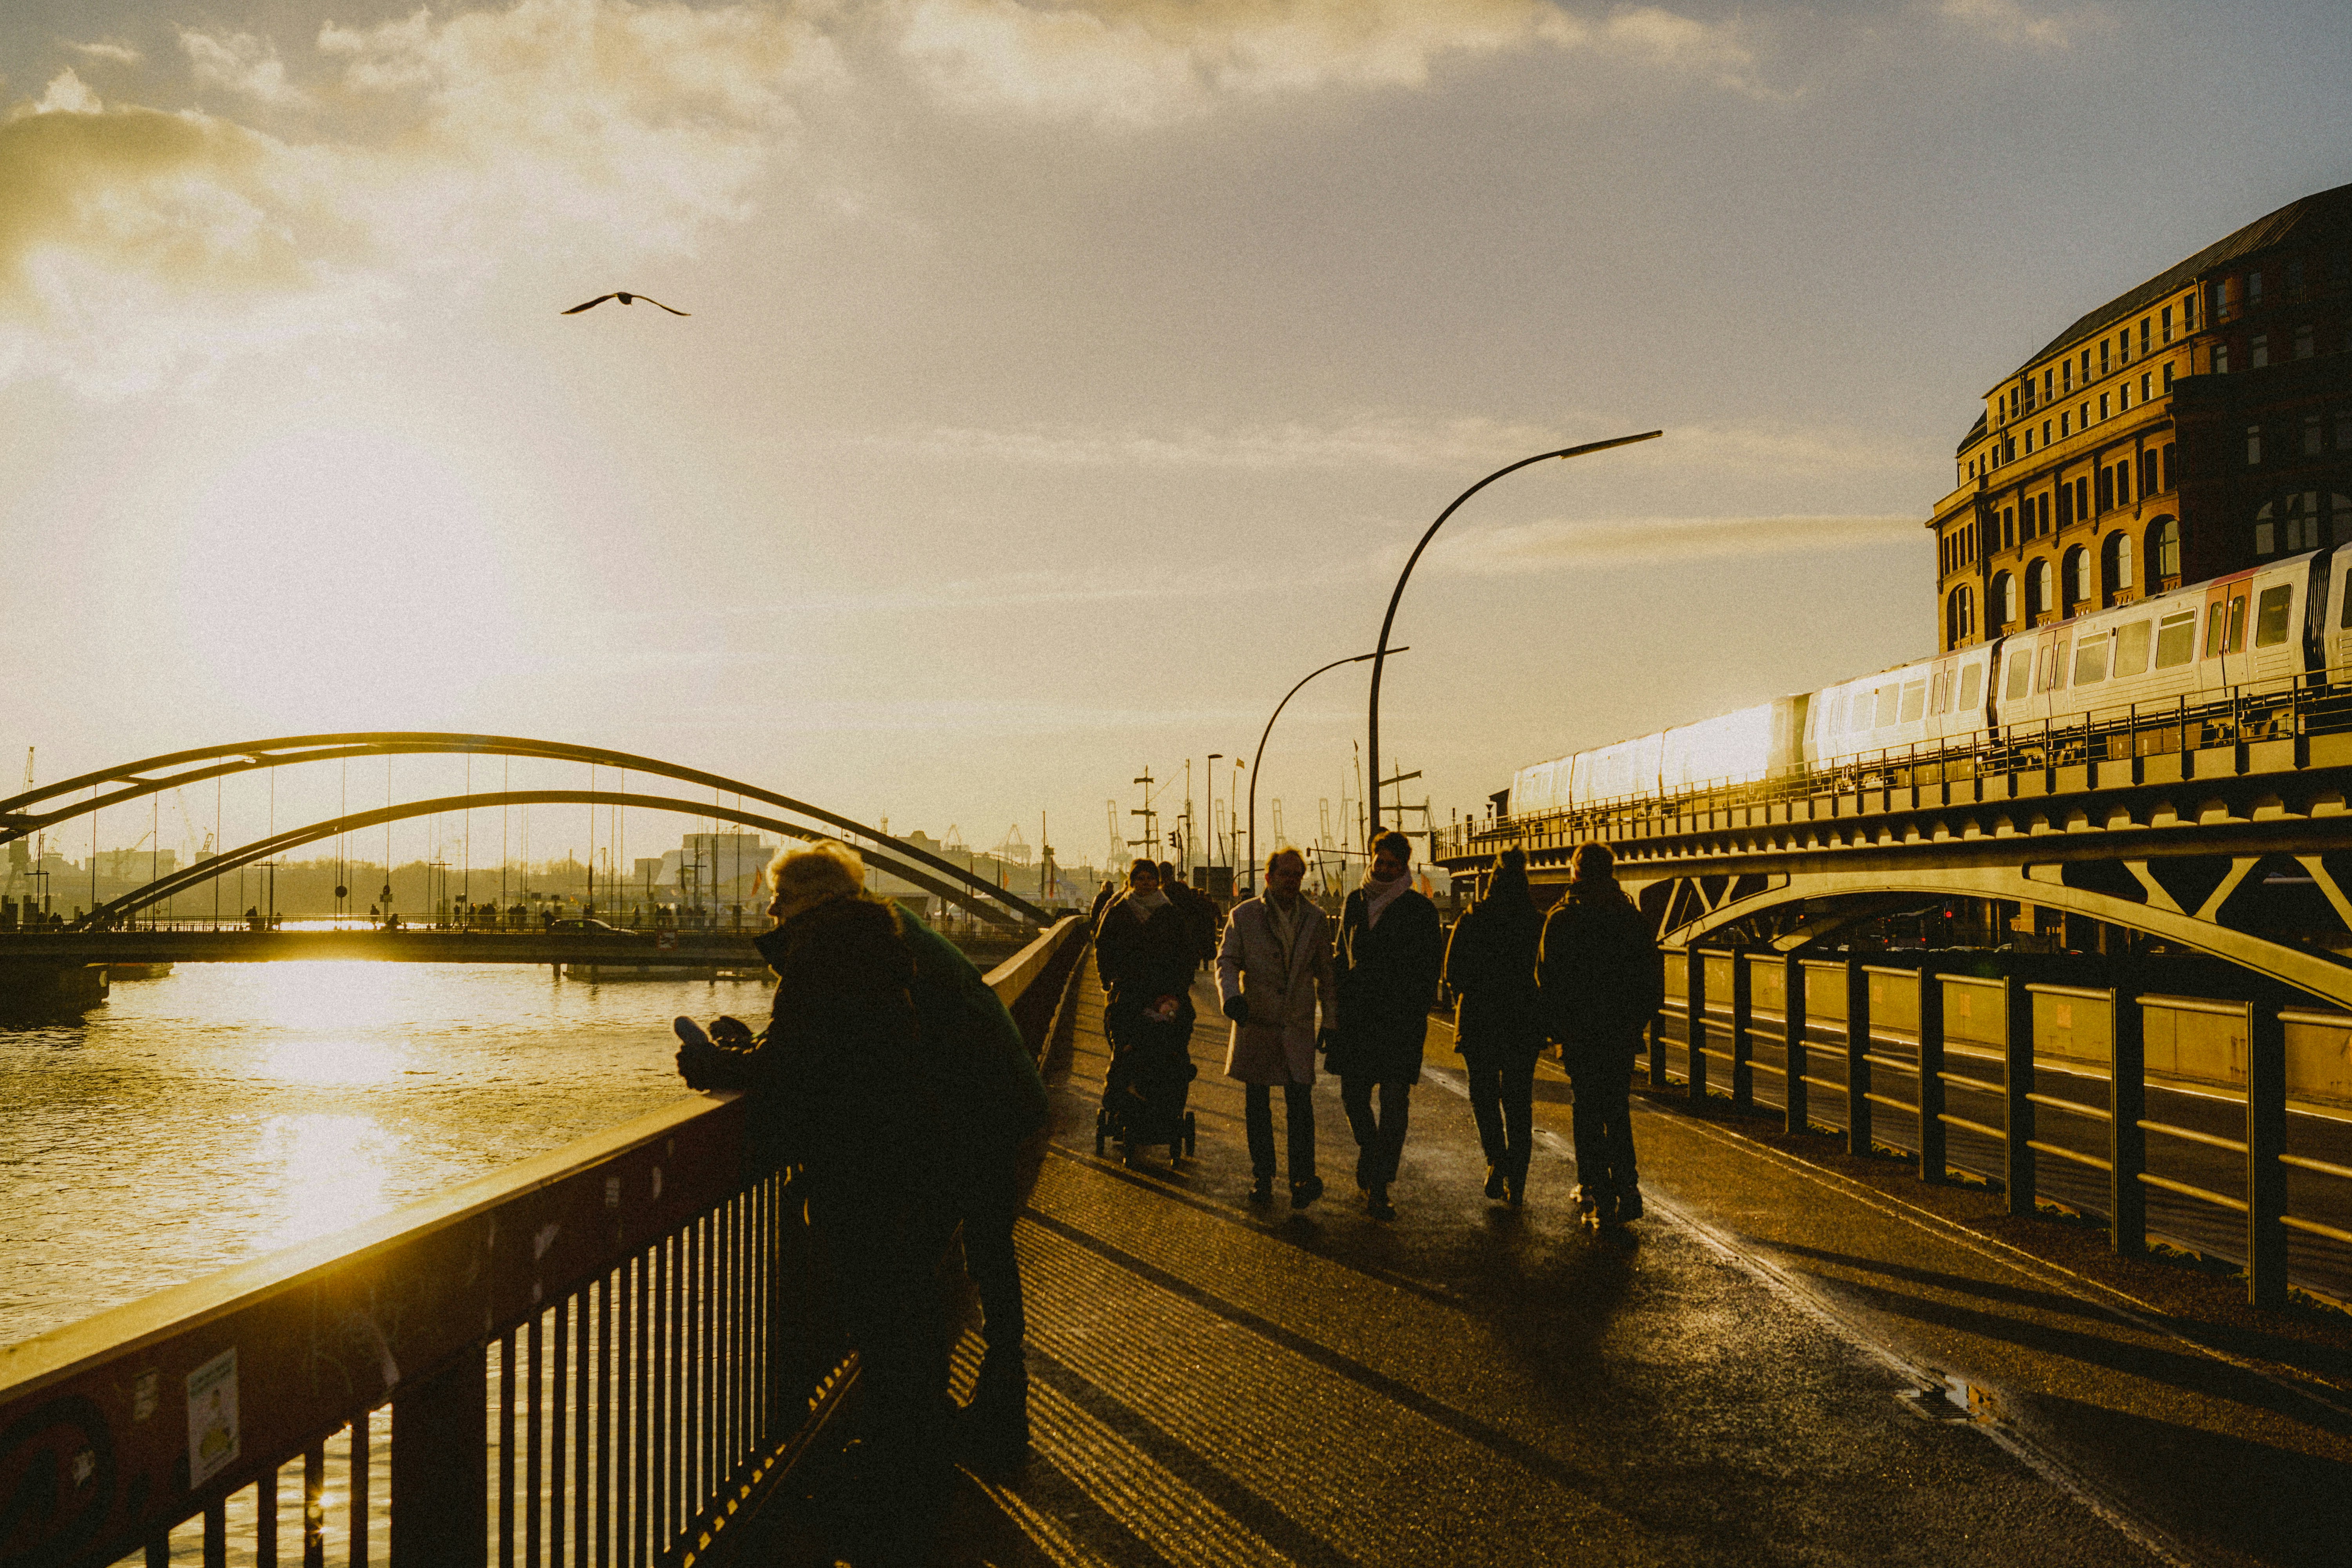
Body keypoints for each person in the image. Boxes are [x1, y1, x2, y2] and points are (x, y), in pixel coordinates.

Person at [671, 841, 973, 1557]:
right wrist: (755, 1050)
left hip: (863, 1171)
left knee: (882, 1323)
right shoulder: (871, 946)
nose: (771, 912)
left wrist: (717, 1066)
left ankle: (895, 1506)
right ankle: (914, 1477)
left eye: (779, 899)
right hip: (908, 1161)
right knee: (905, 1328)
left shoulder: (822, 956)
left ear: (810, 901)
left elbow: (802, 1066)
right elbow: (826, 1048)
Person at [1537, 841, 1664, 1228]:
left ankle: (1597, 1192)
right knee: (1616, 1108)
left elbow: (1546, 977)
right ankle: (1628, 1187)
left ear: (1575, 872)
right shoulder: (1631, 918)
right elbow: (1651, 977)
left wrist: (1556, 1028)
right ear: (1611, 872)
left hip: (1579, 1032)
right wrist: (1638, 1021)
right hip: (1620, 1031)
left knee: (1587, 1111)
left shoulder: (1562, 918)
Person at [1328, 829, 1444, 1221]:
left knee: (1395, 1103)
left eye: (1393, 865)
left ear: (1404, 867)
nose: (1384, 869)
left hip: (1399, 1021)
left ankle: (1380, 1182)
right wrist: (1333, 1010)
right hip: (1357, 1019)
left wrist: (1415, 1009)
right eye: (1380, 862)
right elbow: (1341, 956)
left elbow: (1429, 967)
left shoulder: (1420, 909)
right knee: (1353, 1097)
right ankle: (1371, 1150)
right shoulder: (1354, 901)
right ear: (1372, 860)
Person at [1216, 846, 1334, 1208]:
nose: (1291, 881)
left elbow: (1327, 975)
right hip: (1258, 1021)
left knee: (1301, 1106)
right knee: (1258, 1105)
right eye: (1285, 874)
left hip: (1297, 1023)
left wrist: (1331, 1021)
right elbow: (1227, 960)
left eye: (1297, 875)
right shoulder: (1244, 916)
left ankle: (1302, 1178)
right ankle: (1263, 1176)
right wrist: (1231, 997)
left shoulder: (1316, 919)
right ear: (1268, 878)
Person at [1444, 847, 1545, 1206]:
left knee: (1484, 1095)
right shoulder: (1537, 922)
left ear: (1492, 880)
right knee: (1519, 1101)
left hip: (1480, 1020)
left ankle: (1496, 1159)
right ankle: (1517, 1180)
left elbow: (1452, 971)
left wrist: (1468, 995)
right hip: (1523, 1022)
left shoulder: (1473, 918)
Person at [1093, 859, 1202, 1146]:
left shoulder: (1170, 913)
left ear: (1157, 881)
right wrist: (1107, 979)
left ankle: (1161, 1102)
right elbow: (1103, 946)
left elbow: (1186, 951)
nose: (1145, 883)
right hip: (1129, 991)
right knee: (1126, 1043)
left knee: (1170, 1044)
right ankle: (1124, 1097)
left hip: (1165, 992)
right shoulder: (1119, 912)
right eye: (1140, 879)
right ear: (1132, 882)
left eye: (1150, 878)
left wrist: (1180, 986)